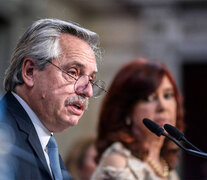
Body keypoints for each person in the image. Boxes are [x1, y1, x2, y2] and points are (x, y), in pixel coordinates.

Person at [0, 18, 106, 180]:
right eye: (73, 72)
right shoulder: (4, 133)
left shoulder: (47, 146)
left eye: (91, 79)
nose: (88, 91)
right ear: (30, 72)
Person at [91, 58, 184, 180]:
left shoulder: (165, 166)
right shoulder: (120, 164)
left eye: (168, 95)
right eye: (149, 98)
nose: (163, 106)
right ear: (127, 109)